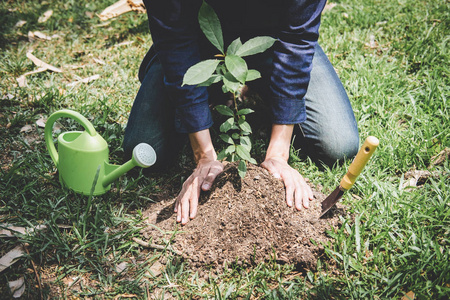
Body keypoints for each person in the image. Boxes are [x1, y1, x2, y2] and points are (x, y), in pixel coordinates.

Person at [123, 0, 359, 225]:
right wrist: (204, 156)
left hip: (276, 42)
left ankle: (257, 87)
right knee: (144, 149)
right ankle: (222, 87)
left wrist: (278, 154)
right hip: (195, 44)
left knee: (339, 144)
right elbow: (175, 42)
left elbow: (297, 39)